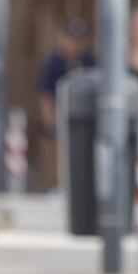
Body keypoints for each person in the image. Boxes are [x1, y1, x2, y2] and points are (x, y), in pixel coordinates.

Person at [35, 19, 94, 189]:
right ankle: (56, 184)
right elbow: (46, 94)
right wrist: (49, 118)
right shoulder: (54, 64)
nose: (75, 44)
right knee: (57, 149)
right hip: (60, 115)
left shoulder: (89, 61)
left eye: (79, 40)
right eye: (71, 39)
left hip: (84, 117)